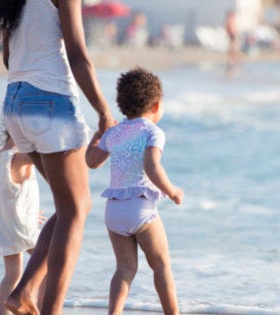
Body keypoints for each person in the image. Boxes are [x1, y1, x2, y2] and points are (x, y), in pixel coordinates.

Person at [0, 0, 116, 313]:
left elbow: (7, 57)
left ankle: (24, 292)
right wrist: (104, 112)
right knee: (76, 209)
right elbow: (78, 55)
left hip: (14, 103)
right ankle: (44, 305)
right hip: (51, 102)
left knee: (71, 206)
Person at [86, 67, 183, 315]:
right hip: (140, 209)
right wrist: (171, 191)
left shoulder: (114, 132)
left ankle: (114, 313)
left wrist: (100, 133)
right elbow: (152, 166)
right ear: (155, 105)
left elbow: (92, 161)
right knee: (161, 266)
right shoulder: (153, 132)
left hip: (114, 211)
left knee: (124, 269)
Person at [0, 130, 46, 315]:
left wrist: (29, 211)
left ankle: (3, 312)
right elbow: (43, 157)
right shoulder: (20, 157)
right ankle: (40, 307)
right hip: (22, 225)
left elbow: (9, 191)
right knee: (48, 263)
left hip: (5, 223)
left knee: (12, 274)